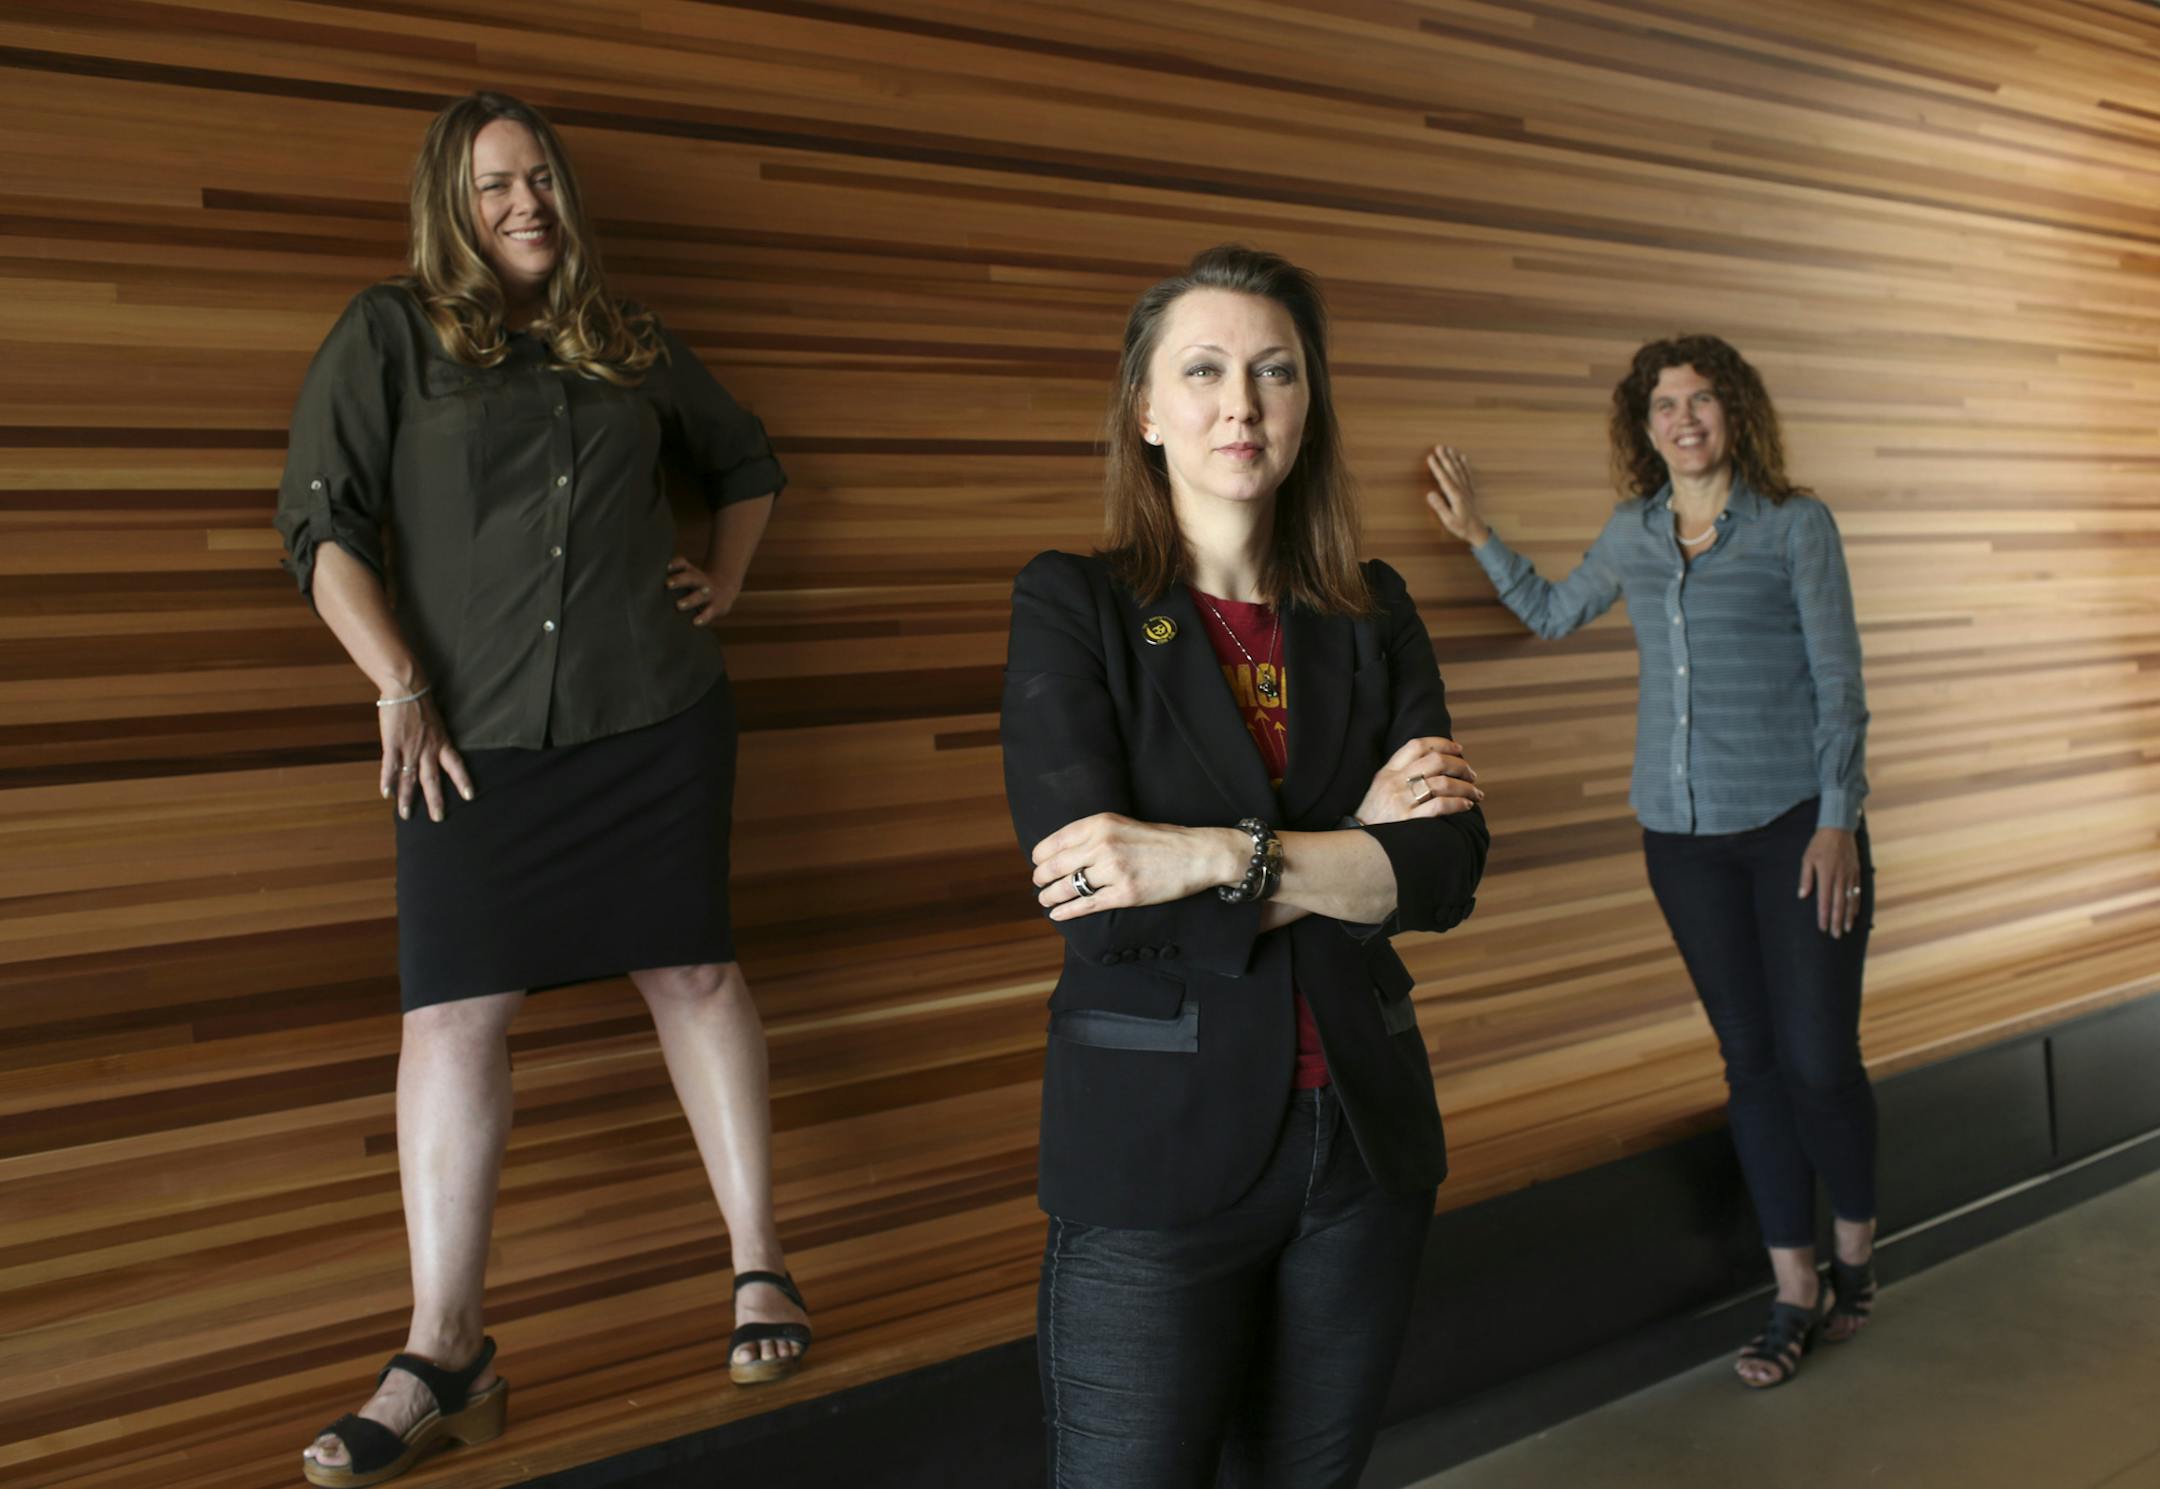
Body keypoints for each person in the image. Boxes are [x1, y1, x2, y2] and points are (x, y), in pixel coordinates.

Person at [274, 92, 805, 1488]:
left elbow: (747, 460)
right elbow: (318, 526)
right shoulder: (388, 332)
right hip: (468, 740)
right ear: (450, 203)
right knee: (452, 1014)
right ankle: (447, 1347)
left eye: (544, 181)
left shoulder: (626, 344)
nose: (527, 203)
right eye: (497, 183)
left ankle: (761, 1269)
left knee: (695, 977)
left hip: (656, 712)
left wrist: (728, 580)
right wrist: (398, 681)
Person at [1000, 244, 1490, 1487]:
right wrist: (1345, 852)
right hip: (1156, 1161)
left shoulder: (1369, 609)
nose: (1243, 402)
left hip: (1361, 1155)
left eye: (1276, 371)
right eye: (1205, 370)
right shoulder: (1075, 605)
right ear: (1147, 410)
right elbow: (1101, 908)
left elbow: (1440, 873)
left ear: (1308, 403)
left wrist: (1203, 854)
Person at [1423, 334, 1878, 1389]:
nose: (1683, 419)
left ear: (1737, 414)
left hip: (1797, 830)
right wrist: (1478, 534)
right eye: (1663, 404)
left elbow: (1840, 682)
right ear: (1644, 425)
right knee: (1752, 1065)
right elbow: (1549, 610)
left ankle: (1858, 1249)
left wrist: (1839, 819)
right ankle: (1794, 1288)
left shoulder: (1793, 527)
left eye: (1703, 400)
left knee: (1819, 1061)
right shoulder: (1633, 534)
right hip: (1681, 841)